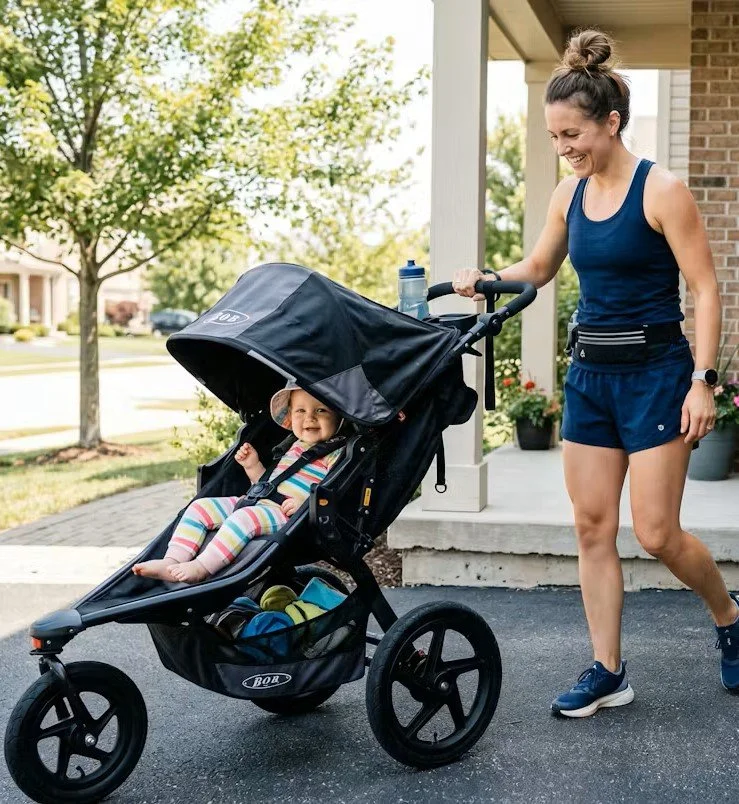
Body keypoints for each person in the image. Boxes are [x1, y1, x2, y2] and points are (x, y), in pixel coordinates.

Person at [453, 29, 739, 717]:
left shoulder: (661, 190)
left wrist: (702, 380)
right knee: (589, 527)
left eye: (573, 133)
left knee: (656, 534)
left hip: (655, 375)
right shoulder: (567, 194)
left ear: (611, 122)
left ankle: (728, 618)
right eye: (554, 136)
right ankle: (607, 669)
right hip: (589, 375)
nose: (565, 147)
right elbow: (539, 268)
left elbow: (704, 289)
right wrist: (486, 278)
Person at [133, 383, 343, 584]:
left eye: (321, 410)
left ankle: (201, 567)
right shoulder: (293, 446)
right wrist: (252, 465)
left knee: (244, 518)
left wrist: (307, 504)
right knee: (200, 507)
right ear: (289, 416)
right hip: (260, 501)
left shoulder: (336, 454)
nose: (310, 418)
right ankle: (172, 560)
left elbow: (336, 490)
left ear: (339, 416)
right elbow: (267, 483)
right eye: (300, 411)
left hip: (288, 515)